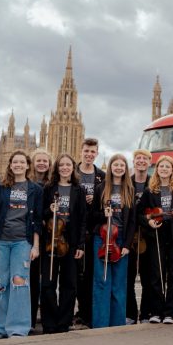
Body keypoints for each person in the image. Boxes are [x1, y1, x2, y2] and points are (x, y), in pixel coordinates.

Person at [0, 150, 43, 338]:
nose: (18, 165)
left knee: (20, 282)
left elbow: (38, 220)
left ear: (27, 165)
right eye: (14, 162)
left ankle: (18, 327)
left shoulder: (35, 189)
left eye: (21, 162)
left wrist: (35, 246)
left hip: (22, 242)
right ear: (10, 165)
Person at [137, 155, 173, 324]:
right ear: (157, 169)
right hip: (156, 235)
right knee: (156, 274)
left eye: (168, 167)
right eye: (161, 167)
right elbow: (139, 214)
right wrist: (149, 221)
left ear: (172, 170)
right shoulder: (149, 190)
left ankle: (170, 311)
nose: (164, 169)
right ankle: (156, 311)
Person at [40, 153, 87, 334]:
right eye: (61, 165)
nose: (65, 168)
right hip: (51, 242)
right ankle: (50, 322)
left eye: (68, 165)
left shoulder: (78, 190)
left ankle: (64, 321)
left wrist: (81, 245)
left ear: (73, 168)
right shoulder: (48, 188)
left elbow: (83, 220)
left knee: (69, 285)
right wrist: (48, 210)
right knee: (48, 284)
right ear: (57, 168)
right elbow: (41, 214)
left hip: (71, 242)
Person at [90, 154, 135, 328]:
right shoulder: (101, 188)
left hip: (121, 240)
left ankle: (117, 323)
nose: (118, 168)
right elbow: (92, 215)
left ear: (125, 168)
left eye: (122, 165)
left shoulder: (128, 190)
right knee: (102, 281)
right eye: (115, 165)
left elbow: (132, 222)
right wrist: (103, 215)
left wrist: (127, 245)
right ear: (110, 167)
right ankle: (100, 323)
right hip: (102, 239)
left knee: (118, 283)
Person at [75, 138, 105, 328]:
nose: (89, 154)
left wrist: (94, 200)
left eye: (92, 152)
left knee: (91, 274)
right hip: (74, 230)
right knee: (77, 274)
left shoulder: (102, 176)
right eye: (86, 151)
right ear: (81, 151)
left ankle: (88, 313)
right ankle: (80, 311)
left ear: (97, 153)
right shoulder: (72, 172)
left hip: (93, 230)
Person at [126, 149, 151, 324]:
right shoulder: (127, 184)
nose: (141, 161)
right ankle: (130, 313)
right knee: (128, 278)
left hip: (148, 237)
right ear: (134, 162)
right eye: (138, 159)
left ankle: (145, 314)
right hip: (129, 237)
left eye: (144, 159)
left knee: (148, 278)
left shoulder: (153, 183)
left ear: (149, 162)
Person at [29, 148, 52, 330]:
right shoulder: (26, 182)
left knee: (48, 280)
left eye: (45, 161)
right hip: (30, 236)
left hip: (50, 236)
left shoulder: (52, 185)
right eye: (39, 160)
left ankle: (46, 320)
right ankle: (28, 319)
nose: (42, 164)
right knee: (31, 278)